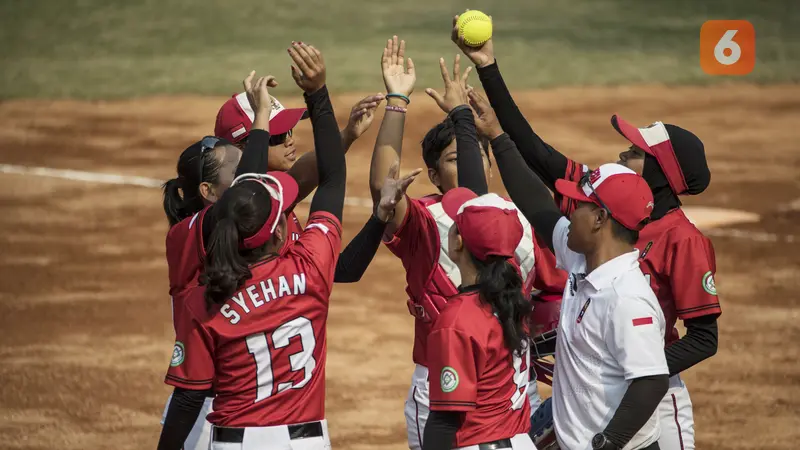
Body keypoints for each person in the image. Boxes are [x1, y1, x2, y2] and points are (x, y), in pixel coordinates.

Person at [453, 16, 720, 450]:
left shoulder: (667, 251)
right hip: (599, 392)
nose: (622, 151)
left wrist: (619, 367)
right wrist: (493, 101)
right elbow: (537, 183)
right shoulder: (592, 244)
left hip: (645, 395)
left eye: (635, 151)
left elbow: (690, 348)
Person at [157, 43, 420, 450]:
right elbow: (293, 182)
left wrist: (345, 137)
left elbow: (335, 254)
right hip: (209, 414)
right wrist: (309, 105)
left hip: (243, 417)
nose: (289, 138)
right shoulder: (197, 232)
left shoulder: (268, 217)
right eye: (276, 135)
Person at [469, 90, 670, 450]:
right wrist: (498, 137)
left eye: (577, 205)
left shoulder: (626, 297)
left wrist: (607, 443)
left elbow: (651, 381)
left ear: (599, 219)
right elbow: (537, 206)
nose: (568, 211)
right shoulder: (585, 259)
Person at [368, 36, 538, 450]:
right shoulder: (427, 223)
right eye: (453, 158)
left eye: (476, 154)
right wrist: (396, 102)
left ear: (491, 166)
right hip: (444, 382)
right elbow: (382, 187)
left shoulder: (517, 221)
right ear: (433, 176)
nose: (467, 162)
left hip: (507, 386)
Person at [423, 187, 536, 450]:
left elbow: (444, 421)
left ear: (458, 242)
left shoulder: (458, 318)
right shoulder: (513, 297)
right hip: (520, 442)